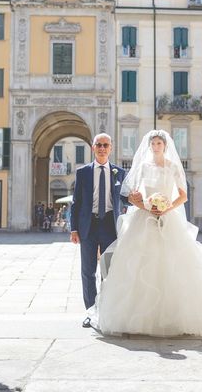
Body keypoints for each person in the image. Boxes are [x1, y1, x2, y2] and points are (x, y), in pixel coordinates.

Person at [89, 130, 202, 336]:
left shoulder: (173, 167)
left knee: (172, 263)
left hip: (168, 217)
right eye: (153, 144)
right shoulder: (143, 167)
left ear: (165, 146)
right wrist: (146, 205)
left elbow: (183, 196)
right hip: (143, 217)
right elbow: (131, 195)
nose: (156, 146)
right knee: (137, 263)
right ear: (149, 146)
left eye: (159, 143)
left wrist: (165, 208)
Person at [70, 133, 125, 328]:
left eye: (105, 145)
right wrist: (74, 228)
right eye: (98, 145)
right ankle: (90, 312)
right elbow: (75, 203)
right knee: (88, 271)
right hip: (88, 226)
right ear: (93, 147)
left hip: (110, 225)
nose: (102, 148)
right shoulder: (83, 172)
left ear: (111, 148)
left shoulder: (119, 172)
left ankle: (106, 311)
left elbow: (126, 199)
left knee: (108, 272)